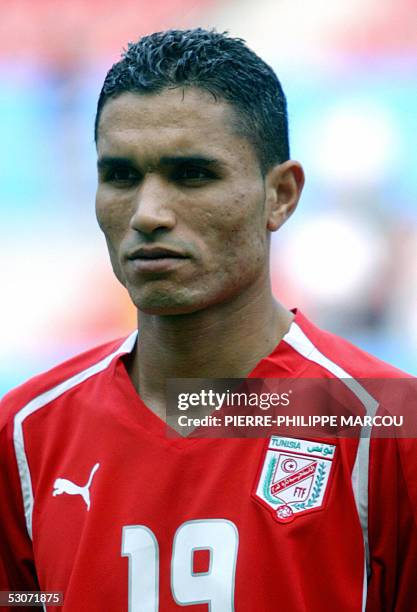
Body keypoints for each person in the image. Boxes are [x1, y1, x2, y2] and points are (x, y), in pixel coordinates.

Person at [0, 28, 415, 612]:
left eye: (192, 174)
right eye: (120, 176)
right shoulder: (24, 435)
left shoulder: (386, 428)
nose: (148, 213)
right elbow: (24, 600)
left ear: (281, 195)